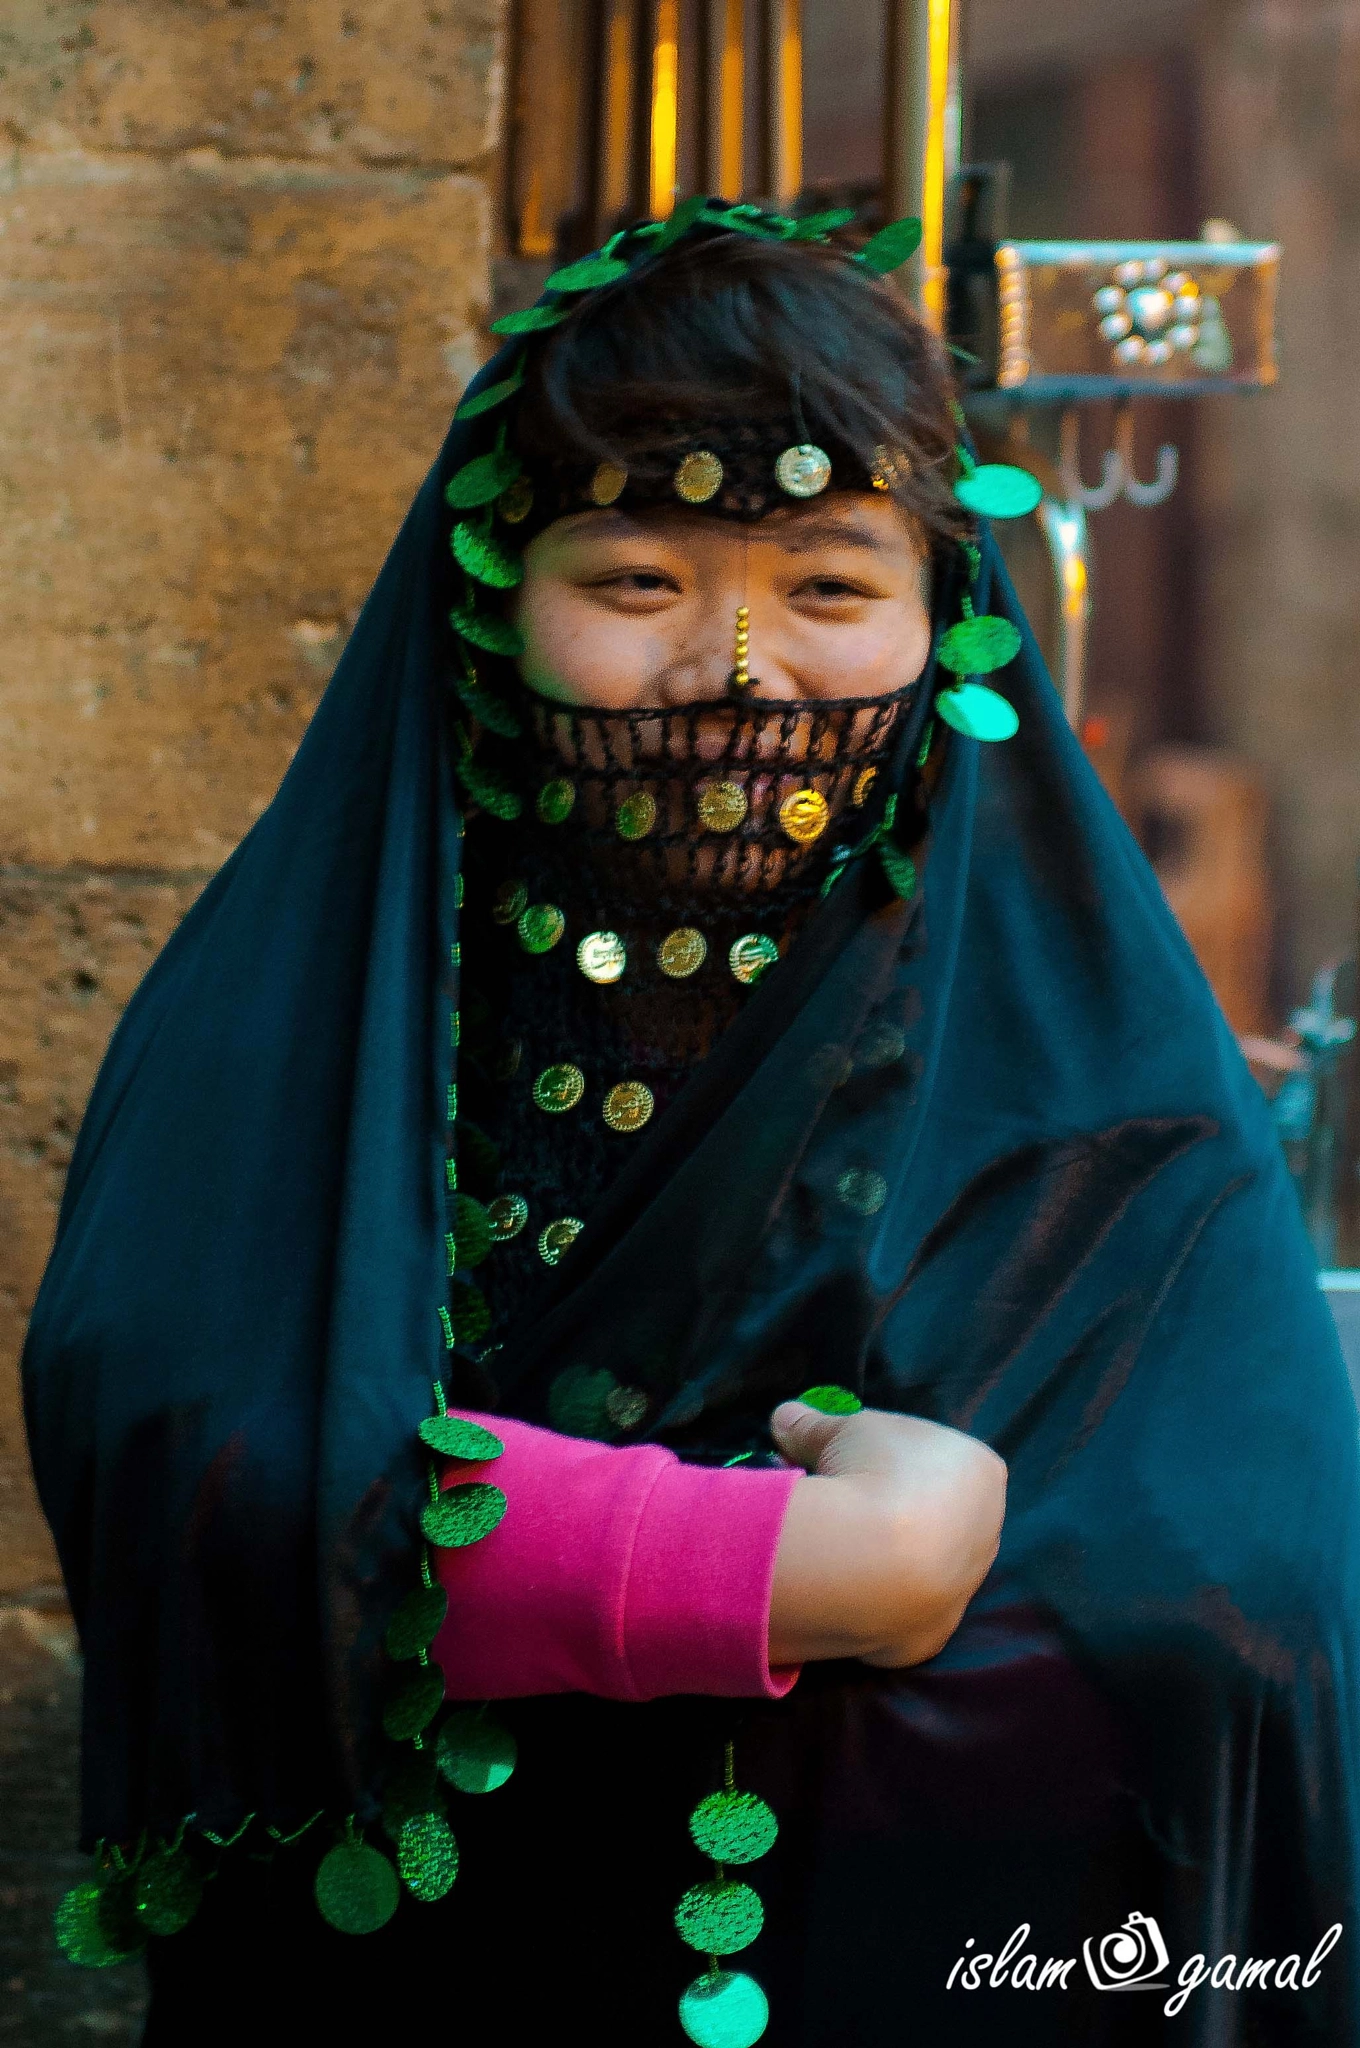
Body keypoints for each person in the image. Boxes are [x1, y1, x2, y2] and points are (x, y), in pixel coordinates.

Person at [22, 201, 1360, 2047]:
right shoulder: (320, 1006)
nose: (738, 676)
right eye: (639, 583)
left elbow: (1250, 1598)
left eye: (825, 588)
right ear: (496, 603)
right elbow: (193, 1443)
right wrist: (791, 1571)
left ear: (946, 619)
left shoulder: (1096, 1081)